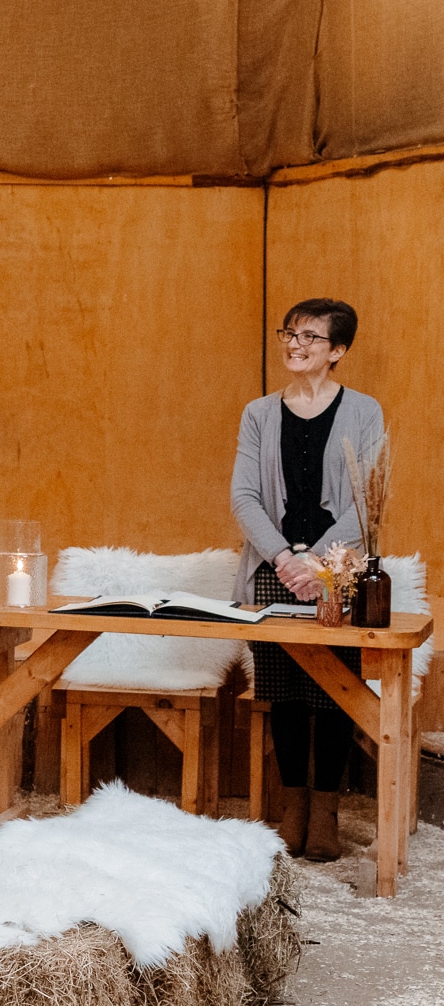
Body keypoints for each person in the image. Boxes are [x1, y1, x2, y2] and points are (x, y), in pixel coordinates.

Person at [231, 297, 385, 862]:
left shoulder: (365, 411)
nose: (294, 345)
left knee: (334, 692)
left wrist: (316, 562)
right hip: (274, 574)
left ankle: (325, 811)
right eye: (289, 333)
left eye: (310, 338)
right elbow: (244, 496)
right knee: (285, 694)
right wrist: (281, 559)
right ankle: (292, 806)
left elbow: (366, 500)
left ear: (338, 350)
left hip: (337, 573)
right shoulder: (259, 413)